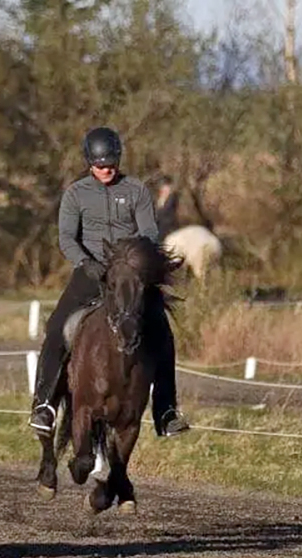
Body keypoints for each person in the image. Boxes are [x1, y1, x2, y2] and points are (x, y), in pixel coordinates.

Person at [28, 127, 190, 438]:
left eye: (112, 163)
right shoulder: (76, 194)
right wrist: (86, 263)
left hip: (128, 274)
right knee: (55, 329)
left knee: (163, 333)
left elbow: (149, 233)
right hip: (90, 271)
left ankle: (166, 410)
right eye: (101, 165)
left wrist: (132, 262)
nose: (107, 169)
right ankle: (44, 405)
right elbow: (66, 237)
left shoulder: (137, 190)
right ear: (89, 162)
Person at [154, 175, 180, 241]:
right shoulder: (159, 199)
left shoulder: (172, 198)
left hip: (167, 224)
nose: (163, 189)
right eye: (162, 187)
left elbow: (166, 211)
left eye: (166, 187)